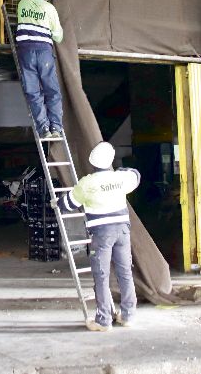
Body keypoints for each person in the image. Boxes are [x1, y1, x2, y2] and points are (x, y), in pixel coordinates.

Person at [58, 142, 140, 331]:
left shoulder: (87, 183)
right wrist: (122, 170)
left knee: (102, 275)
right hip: (123, 231)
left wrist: (57, 202)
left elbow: (68, 204)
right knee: (125, 272)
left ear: (92, 162)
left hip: (102, 233)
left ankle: (103, 320)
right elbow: (136, 175)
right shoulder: (120, 178)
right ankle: (128, 316)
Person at [15, 0, 64, 139]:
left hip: (25, 52)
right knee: (52, 92)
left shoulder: (22, 4)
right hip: (43, 52)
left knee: (33, 92)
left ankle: (43, 128)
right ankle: (56, 127)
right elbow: (58, 37)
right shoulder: (49, 8)